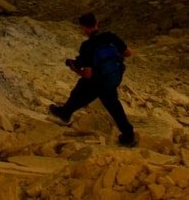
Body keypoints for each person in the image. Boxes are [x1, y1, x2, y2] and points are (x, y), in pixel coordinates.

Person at [49, 12, 136, 147]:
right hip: (114, 77)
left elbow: (88, 74)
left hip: (97, 81)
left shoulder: (87, 46)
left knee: (81, 90)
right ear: (96, 23)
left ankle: (65, 113)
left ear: (83, 27)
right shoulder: (110, 36)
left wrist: (75, 68)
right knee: (112, 104)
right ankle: (128, 135)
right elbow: (128, 53)